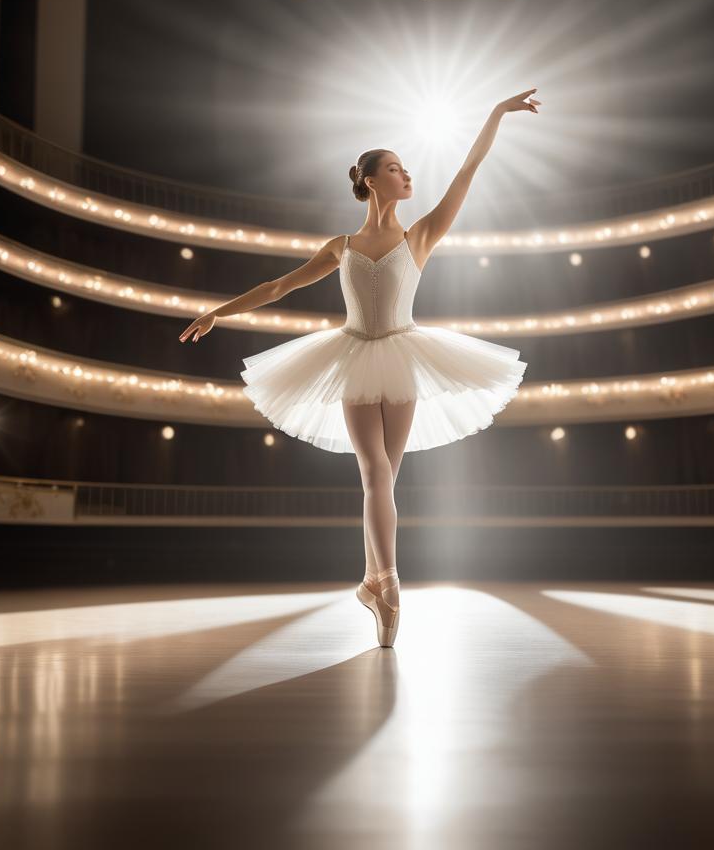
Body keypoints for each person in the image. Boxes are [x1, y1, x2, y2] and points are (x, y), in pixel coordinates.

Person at [179, 89, 540, 646]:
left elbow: (469, 169)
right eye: (395, 168)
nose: (407, 175)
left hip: (403, 355)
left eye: (406, 168)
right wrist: (218, 313)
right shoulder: (340, 246)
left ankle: (373, 582)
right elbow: (278, 286)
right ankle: (389, 583)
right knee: (375, 473)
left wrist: (495, 114)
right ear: (371, 180)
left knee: (383, 479)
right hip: (350, 356)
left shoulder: (420, 234)